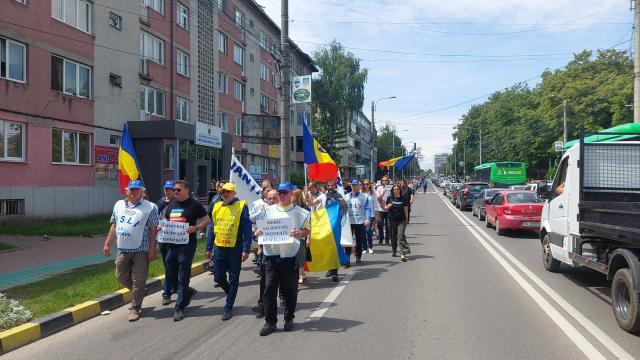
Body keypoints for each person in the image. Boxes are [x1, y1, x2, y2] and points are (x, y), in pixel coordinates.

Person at [255, 182, 311, 336]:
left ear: (291, 194)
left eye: (285, 192)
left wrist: (299, 233)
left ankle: (289, 318)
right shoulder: (268, 211)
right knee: (269, 290)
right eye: (279, 192)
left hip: (290, 256)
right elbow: (258, 228)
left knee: (290, 290)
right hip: (271, 256)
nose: (282, 195)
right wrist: (258, 232)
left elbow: (307, 230)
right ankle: (270, 322)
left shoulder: (301, 212)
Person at [102, 180, 159, 322]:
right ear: (126, 191)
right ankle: (140, 291)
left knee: (138, 279)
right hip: (123, 248)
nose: (133, 192)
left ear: (142, 192)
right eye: (130, 190)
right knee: (120, 275)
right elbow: (114, 226)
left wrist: (153, 249)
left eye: (136, 190)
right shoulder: (118, 205)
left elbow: (153, 229)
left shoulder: (150, 207)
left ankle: (135, 307)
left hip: (141, 249)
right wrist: (107, 244)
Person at [161, 180, 210, 321]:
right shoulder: (171, 205)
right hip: (172, 244)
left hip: (187, 245)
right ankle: (187, 291)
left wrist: (196, 228)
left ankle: (179, 308)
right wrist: (161, 228)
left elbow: (206, 219)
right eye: (174, 190)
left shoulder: (194, 204)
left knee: (183, 275)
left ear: (186, 190)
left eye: (178, 190)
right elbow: (166, 221)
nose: (175, 192)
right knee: (170, 273)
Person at [206, 183, 252, 320]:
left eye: (228, 192)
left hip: (235, 248)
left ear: (234, 193)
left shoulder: (241, 207)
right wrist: (208, 247)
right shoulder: (216, 206)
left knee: (233, 278)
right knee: (218, 277)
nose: (225, 194)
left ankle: (228, 306)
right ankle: (230, 292)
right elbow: (212, 227)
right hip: (219, 248)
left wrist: (246, 249)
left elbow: (247, 230)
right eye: (223, 192)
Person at [251, 189, 279, 318]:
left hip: (282, 252)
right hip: (267, 252)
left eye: (274, 198)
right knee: (265, 282)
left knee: (282, 281)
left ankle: (284, 298)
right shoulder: (264, 213)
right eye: (269, 199)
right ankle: (262, 306)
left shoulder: (284, 212)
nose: (271, 201)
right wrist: (259, 244)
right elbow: (257, 225)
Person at [156, 180, 178, 304]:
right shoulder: (160, 202)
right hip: (163, 238)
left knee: (171, 264)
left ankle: (167, 292)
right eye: (166, 188)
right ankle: (174, 286)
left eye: (170, 189)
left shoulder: (179, 202)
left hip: (175, 238)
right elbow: (154, 216)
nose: (168, 191)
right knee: (168, 265)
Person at [324, 178, 346, 281]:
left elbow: (344, 208)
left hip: (335, 225)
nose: (330, 187)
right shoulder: (324, 196)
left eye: (332, 185)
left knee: (335, 245)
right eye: (328, 185)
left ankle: (335, 271)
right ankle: (330, 268)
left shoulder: (339, 196)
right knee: (328, 246)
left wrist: (339, 216)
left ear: (335, 186)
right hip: (326, 224)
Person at [344, 179, 370, 264]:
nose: (354, 187)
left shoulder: (363, 196)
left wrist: (367, 218)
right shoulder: (346, 196)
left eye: (356, 185)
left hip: (360, 221)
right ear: (351, 186)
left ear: (359, 186)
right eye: (352, 185)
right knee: (348, 241)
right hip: (349, 222)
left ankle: (358, 256)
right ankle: (347, 258)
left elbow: (367, 208)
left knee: (359, 240)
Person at [386, 184, 411, 261]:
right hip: (392, 219)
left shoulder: (403, 198)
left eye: (397, 189)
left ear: (399, 190)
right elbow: (386, 208)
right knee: (393, 236)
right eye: (394, 189)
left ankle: (402, 253)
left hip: (402, 220)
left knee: (400, 236)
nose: (396, 191)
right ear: (392, 191)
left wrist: (407, 220)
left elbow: (406, 209)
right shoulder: (389, 198)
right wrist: (388, 206)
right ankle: (394, 250)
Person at [376, 175, 392, 246]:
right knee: (380, 224)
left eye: (386, 180)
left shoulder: (391, 188)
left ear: (388, 181)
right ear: (381, 181)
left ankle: (387, 240)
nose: (385, 181)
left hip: (389, 209)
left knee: (388, 225)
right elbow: (378, 199)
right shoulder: (379, 188)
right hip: (381, 209)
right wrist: (383, 192)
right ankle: (381, 238)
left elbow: (393, 198)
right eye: (383, 180)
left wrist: (388, 206)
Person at [361, 179, 376, 254]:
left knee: (368, 230)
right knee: (363, 231)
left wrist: (375, 214)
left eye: (367, 184)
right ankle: (364, 247)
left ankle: (370, 247)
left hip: (370, 213)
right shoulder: (361, 193)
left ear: (370, 185)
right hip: (362, 214)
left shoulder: (373, 193)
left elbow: (375, 204)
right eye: (364, 184)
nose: (366, 185)